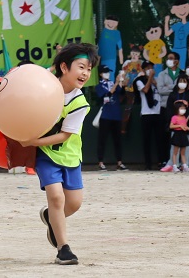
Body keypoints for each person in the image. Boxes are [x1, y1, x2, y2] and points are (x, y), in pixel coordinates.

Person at [20, 43, 99, 265]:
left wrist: (33, 140)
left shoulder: (80, 103)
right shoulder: (45, 87)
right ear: (64, 67)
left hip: (70, 155)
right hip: (46, 154)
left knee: (73, 204)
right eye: (81, 67)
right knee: (56, 197)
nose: (85, 73)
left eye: (89, 69)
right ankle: (63, 249)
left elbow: (65, 135)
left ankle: (50, 218)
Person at [95, 65, 127, 171]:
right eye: (105, 72)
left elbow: (121, 93)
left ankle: (119, 162)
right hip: (105, 115)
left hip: (116, 115)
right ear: (100, 74)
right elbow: (106, 96)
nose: (107, 74)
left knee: (117, 140)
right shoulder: (99, 86)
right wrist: (117, 83)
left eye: (108, 72)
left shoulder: (112, 83)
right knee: (102, 140)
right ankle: (100, 162)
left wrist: (122, 82)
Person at [133, 61, 163, 170]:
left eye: (151, 67)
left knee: (159, 139)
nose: (149, 69)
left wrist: (154, 80)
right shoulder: (139, 81)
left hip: (158, 113)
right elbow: (145, 90)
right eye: (147, 68)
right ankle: (148, 163)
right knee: (147, 140)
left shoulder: (157, 80)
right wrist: (149, 78)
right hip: (146, 113)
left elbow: (162, 90)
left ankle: (161, 161)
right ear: (143, 69)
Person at [160, 73, 189, 172]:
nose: (182, 83)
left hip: (186, 124)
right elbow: (169, 109)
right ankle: (172, 164)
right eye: (180, 81)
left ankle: (185, 165)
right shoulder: (173, 94)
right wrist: (172, 122)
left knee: (186, 146)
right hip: (175, 125)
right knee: (174, 146)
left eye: (184, 81)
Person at [157, 52, 181, 165]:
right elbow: (161, 90)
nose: (169, 60)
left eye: (171, 58)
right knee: (164, 135)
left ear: (177, 61)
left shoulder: (182, 74)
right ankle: (164, 160)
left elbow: (181, 90)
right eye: (168, 58)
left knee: (178, 134)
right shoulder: (162, 74)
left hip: (179, 109)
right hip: (165, 107)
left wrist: (169, 87)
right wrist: (175, 88)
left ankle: (179, 161)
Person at [169, 101, 189, 172]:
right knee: (175, 152)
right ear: (177, 109)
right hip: (177, 135)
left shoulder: (184, 117)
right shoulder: (174, 117)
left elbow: (185, 126)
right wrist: (179, 126)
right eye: (181, 108)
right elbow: (171, 126)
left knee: (183, 153)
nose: (183, 110)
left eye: (184, 108)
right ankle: (174, 166)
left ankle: (185, 166)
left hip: (183, 135)